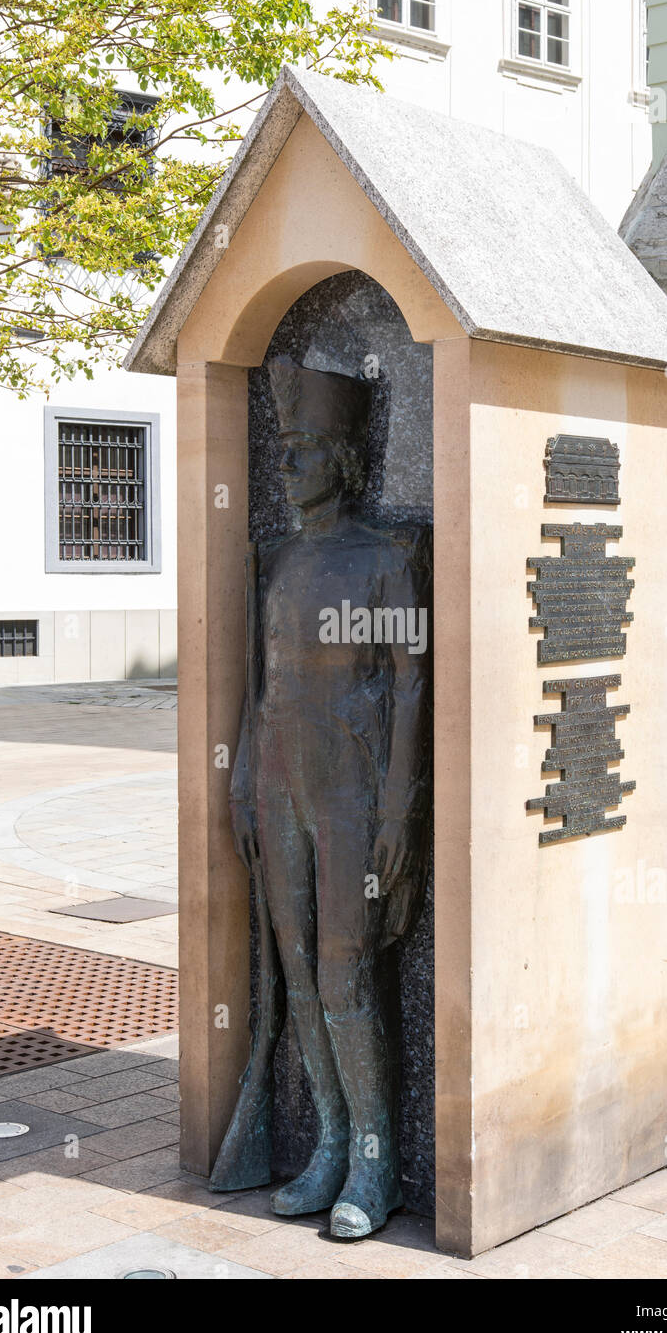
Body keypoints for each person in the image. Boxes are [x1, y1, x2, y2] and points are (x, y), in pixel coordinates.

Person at [216, 355, 431, 1240]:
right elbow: (260, 681)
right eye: (284, 447)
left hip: (352, 792)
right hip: (278, 781)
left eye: (303, 449)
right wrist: (239, 778)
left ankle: (375, 1159)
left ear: (341, 460)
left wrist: (396, 812)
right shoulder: (276, 558)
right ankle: (331, 1142)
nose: (286, 463)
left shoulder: (385, 559)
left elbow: (411, 689)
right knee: (298, 969)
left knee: (347, 967)